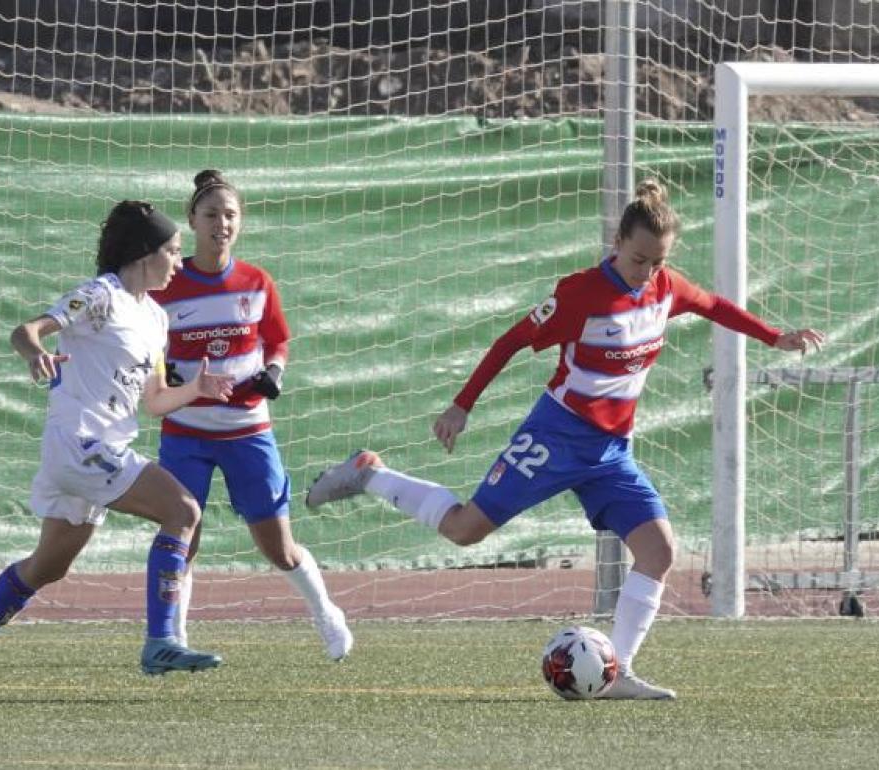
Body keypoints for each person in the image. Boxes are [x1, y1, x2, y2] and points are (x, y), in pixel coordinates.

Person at [306, 179, 824, 699]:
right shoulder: (581, 295)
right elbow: (511, 340)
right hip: (555, 436)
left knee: (657, 551)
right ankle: (368, 473)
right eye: (640, 259)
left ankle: (615, 674)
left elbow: (712, 304)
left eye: (659, 262)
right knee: (465, 530)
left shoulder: (665, 287)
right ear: (617, 242)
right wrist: (462, 405)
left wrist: (774, 336)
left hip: (610, 452)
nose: (649, 272)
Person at [0, 200, 235, 701]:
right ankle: (161, 640)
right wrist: (37, 354)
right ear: (144, 253)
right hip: (80, 445)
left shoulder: (156, 319)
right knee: (183, 510)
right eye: (173, 251)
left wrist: (198, 388)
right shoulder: (101, 296)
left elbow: (156, 400)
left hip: (100, 451)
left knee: (48, 568)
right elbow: (25, 331)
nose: (179, 263)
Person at [148, 170, 352, 660]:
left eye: (231, 215)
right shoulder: (167, 287)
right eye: (212, 214)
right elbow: (147, 343)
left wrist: (275, 371)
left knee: (278, 548)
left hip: (247, 429)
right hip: (185, 431)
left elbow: (277, 339)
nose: (222, 223)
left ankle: (327, 613)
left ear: (241, 222)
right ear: (193, 220)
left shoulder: (256, 282)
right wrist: (164, 377)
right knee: (182, 536)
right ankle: (173, 638)